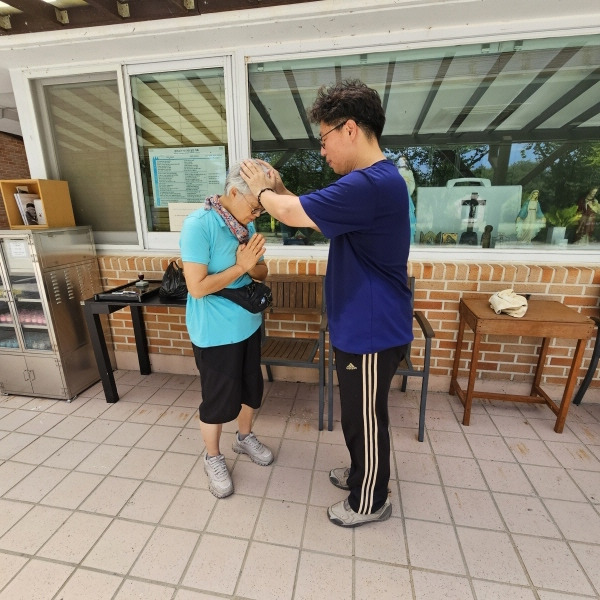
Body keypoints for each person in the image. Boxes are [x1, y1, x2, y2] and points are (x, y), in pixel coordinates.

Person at [241, 79, 414, 527]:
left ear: (350, 129)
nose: (322, 151)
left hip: (371, 329)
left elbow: (291, 213)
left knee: (365, 419)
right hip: (361, 324)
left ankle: (370, 500)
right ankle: (361, 474)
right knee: (356, 415)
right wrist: (279, 188)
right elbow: (306, 210)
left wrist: (260, 191)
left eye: (324, 139)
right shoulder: (371, 184)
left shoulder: (370, 184)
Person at [179, 159, 274, 499]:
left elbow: (261, 271)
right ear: (233, 192)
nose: (256, 214)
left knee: (251, 389)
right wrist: (240, 266)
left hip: (247, 324)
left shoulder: (244, 224)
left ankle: (244, 438)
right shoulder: (198, 225)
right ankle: (213, 457)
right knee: (218, 400)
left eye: (261, 210)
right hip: (215, 333)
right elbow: (197, 288)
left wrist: (252, 266)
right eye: (254, 206)